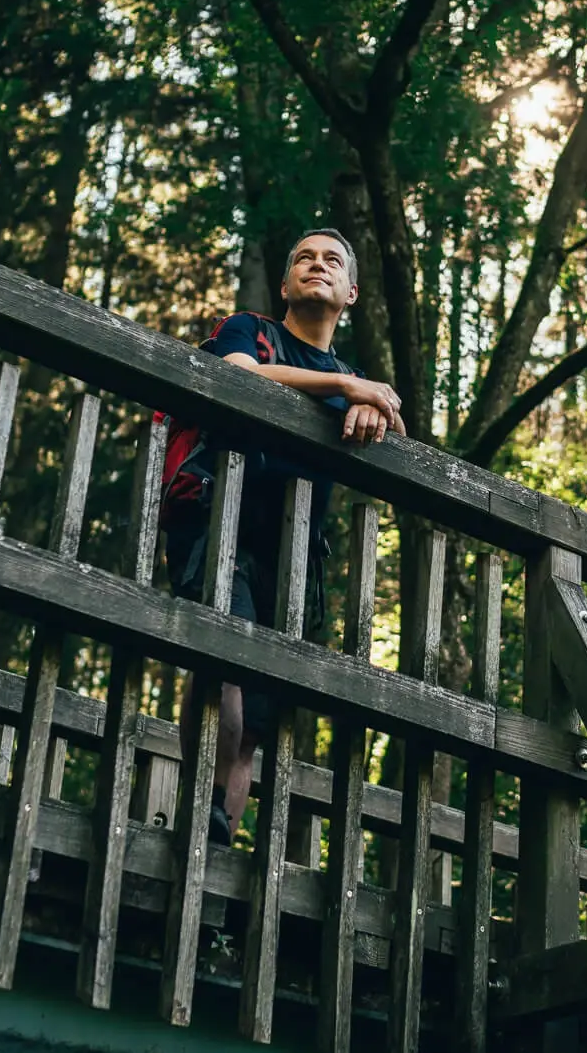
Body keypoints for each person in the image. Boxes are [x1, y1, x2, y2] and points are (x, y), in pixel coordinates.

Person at [157, 228, 405, 846]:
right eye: (304, 258)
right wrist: (347, 389)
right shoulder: (251, 330)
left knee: (261, 715)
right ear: (286, 283)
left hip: (293, 556)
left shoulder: (352, 376)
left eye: (333, 260)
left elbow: (379, 424)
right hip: (218, 522)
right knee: (224, 667)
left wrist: (365, 399)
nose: (317, 266)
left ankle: (218, 839)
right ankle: (199, 814)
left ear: (351, 292)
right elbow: (237, 375)